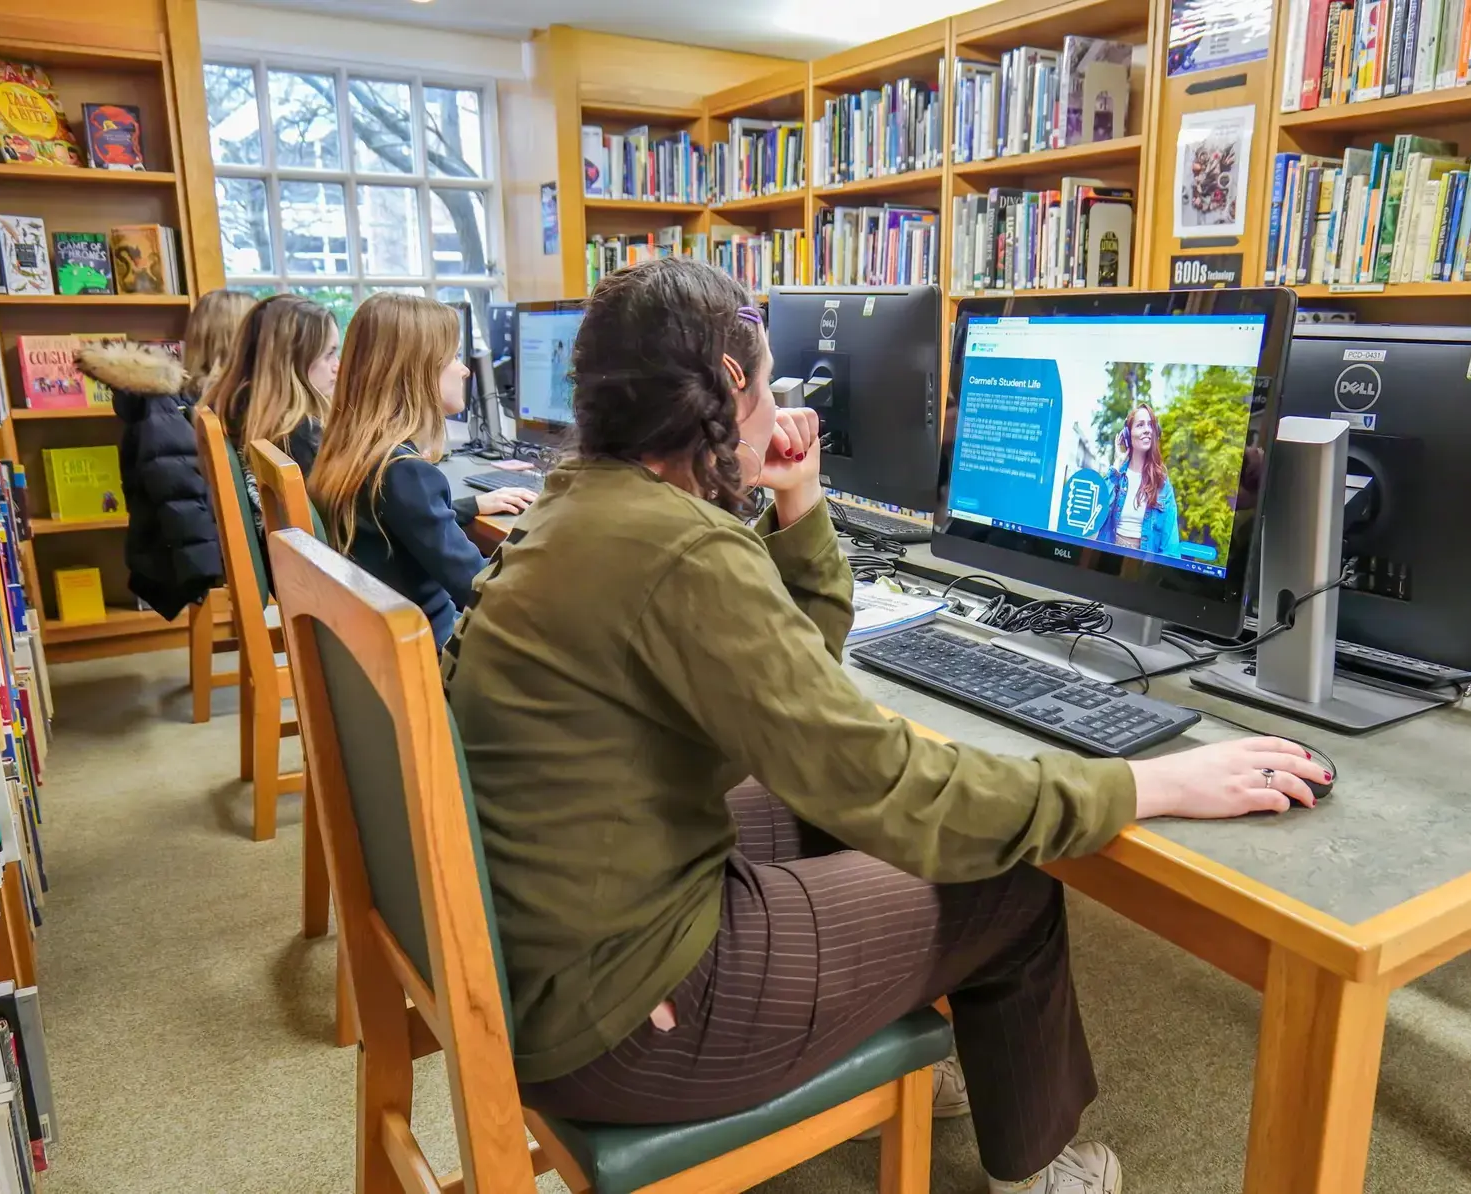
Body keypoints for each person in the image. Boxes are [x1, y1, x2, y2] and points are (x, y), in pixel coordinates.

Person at [442, 258, 1331, 1194]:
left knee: (825, 805)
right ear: (733, 383)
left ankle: (890, 1021)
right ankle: (1041, 1171)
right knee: (1011, 887)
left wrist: (799, 500)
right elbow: (891, 785)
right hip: (622, 1015)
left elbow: (794, 675)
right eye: (770, 371)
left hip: (554, 935)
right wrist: (1150, 784)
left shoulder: (586, 504)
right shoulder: (679, 551)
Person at [309, 293, 534, 647]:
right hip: (431, 652)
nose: (465, 369)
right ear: (417, 370)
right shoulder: (404, 471)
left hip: (383, 644)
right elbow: (478, 587)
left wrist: (471, 507)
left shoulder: (353, 454)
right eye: (454, 356)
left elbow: (404, 522)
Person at [76, 288, 254, 619]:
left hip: (209, 546)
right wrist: (210, 567)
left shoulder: (194, 400)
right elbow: (182, 496)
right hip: (210, 555)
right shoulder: (181, 406)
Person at [200, 294, 340, 540]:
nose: (337, 366)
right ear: (292, 360)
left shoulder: (235, 414)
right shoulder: (298, 435)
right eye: (329, 354)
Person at [1089, 401, 1181, 557]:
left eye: (1151, 425)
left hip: (1144, 566)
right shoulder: (1115, 478)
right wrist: (1115, 469)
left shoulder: (1162, 485)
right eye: (1140, 425)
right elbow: (1095, 517)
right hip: (1108, 560)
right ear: (1127, 434)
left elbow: (1170, 546)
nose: (1147, 430)